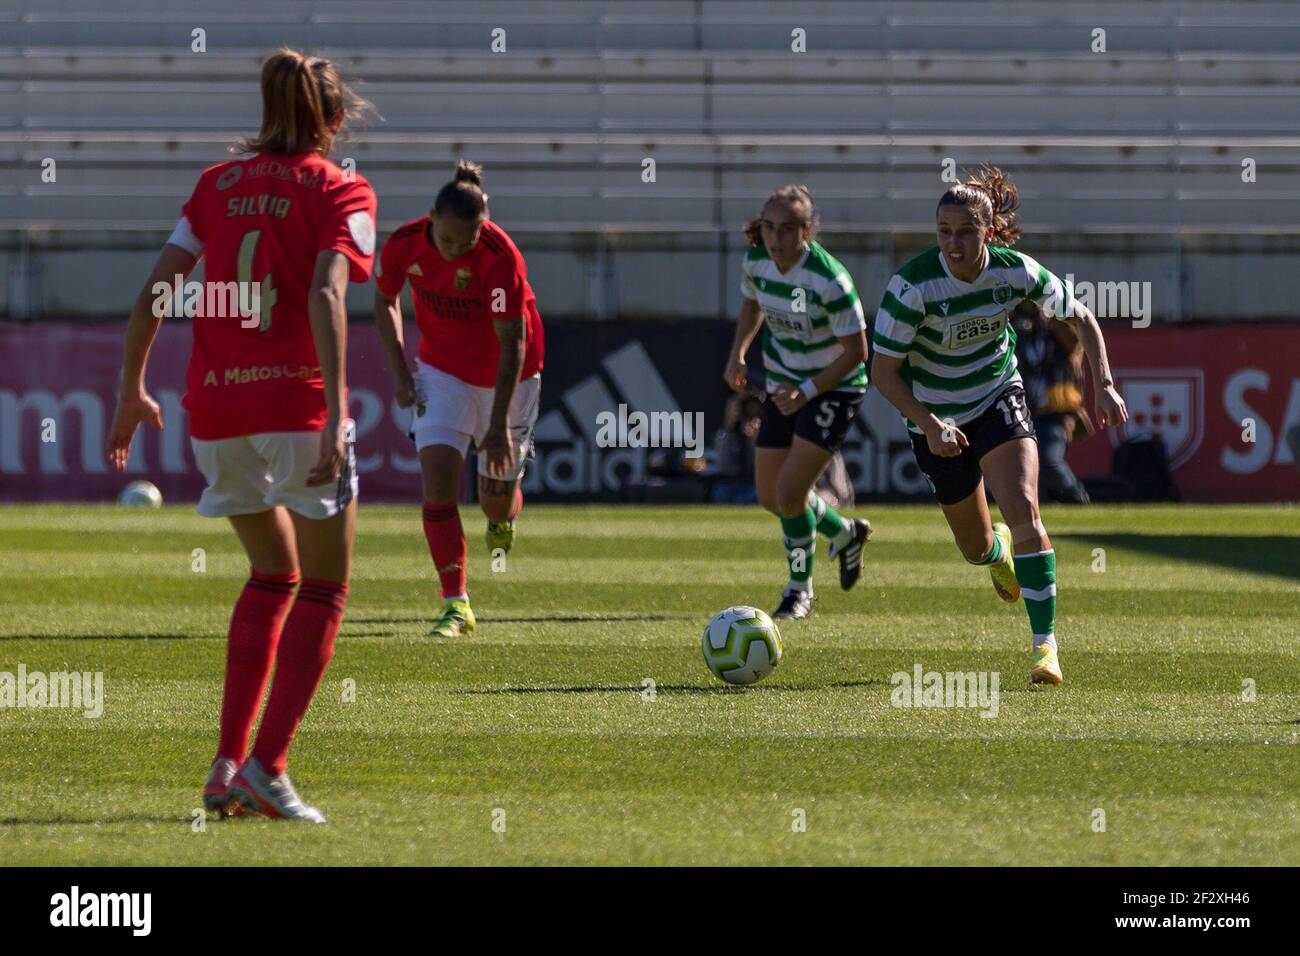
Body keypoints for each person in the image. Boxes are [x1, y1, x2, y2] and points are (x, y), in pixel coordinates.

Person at [105, 48, 378, 821]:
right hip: (298, 408)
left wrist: (131, 388)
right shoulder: (343, 187)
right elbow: (328, 291)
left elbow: (155, 288)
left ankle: (226, 764)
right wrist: (335, 410)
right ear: (334, 119)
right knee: (325, 587)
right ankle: (269, 767)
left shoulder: (214, 185)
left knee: (271, 577)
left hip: (216, 413)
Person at [870, 164, 1128, 686]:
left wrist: (1102, 382)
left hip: (996, 398)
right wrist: (929, 422)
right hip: (936, 422)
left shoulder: (1014, 272)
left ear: (988, 232)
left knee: (1027, 508)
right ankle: (996, 552)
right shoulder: (911, 287)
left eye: (965, 232)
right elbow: (883, 372)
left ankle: (1045, 648)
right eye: (944, 232)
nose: (954, 243)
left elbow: (1081, 317)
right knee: (974, 548)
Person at [374, 161, 544, 638]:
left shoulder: (498, 257)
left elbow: (512, 342)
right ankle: (457, 603)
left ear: (482, 228)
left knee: (494, 503)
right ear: (431, 219)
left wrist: (494, 428)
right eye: (447, 240)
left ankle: (504, 515)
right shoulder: (405, 243)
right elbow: (384, 298)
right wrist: (400, 371)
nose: (455, 251)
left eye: (466, 240)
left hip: (509, 375)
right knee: (439, 479)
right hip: (442, 371)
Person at [723, 184, 873, 620]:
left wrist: (806, 392)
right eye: (769, 227)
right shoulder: (756, 261)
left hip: (834, 387)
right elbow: (751, 304)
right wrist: (739, 352)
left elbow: (857, 352)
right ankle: (844, 533)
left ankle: (799, 590)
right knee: (771, 497)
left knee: (791, 493)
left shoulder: (830, 279)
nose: (776, 238)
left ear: (806, 232)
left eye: (787, 229)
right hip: (783, 385)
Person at [1012, 299, 1094, 503]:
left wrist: (1048, 308)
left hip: (1055, 410)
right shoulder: (1017, 333)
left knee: (1049, 461)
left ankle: (1079, 500)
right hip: (1021, 410)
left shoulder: (1058, 332)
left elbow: (1074, 341)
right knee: (1021, 467)